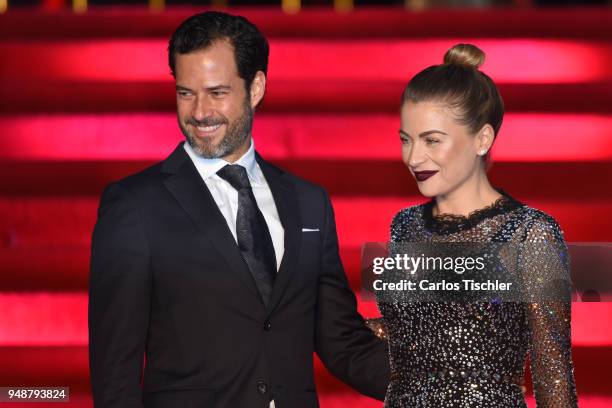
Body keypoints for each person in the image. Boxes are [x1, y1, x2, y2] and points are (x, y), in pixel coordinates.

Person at [88, 11, 389, 408]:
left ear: (257, 87)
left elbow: (341, 341)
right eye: (185, 93)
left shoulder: (308, 202)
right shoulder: (134, 205)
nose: (198, 112)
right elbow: (115, 375)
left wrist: (452, 385)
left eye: (216, 92)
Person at [371, 44, 578, 407]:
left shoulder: (530, 235)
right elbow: (419, 334)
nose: (413, 157)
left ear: (482, 139)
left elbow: (553, 376)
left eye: (432, 140)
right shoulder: (404, 226)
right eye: (406, 140)